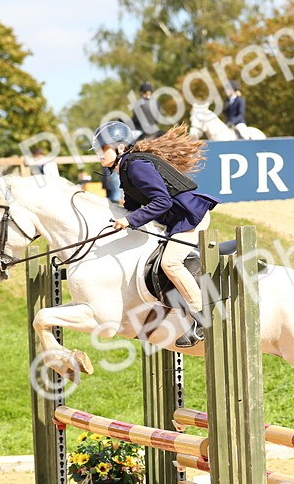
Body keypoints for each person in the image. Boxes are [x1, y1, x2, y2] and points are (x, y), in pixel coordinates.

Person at [94, 121, 219, 348]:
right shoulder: (126, 170)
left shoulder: (135, 166)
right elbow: (132, 207)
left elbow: (162, 201)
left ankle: (202, 317)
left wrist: (129, 220)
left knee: (170, 263)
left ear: (120, 147)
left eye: (103, 149)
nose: (98, 156)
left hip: (190, 217)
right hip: (175, 220)